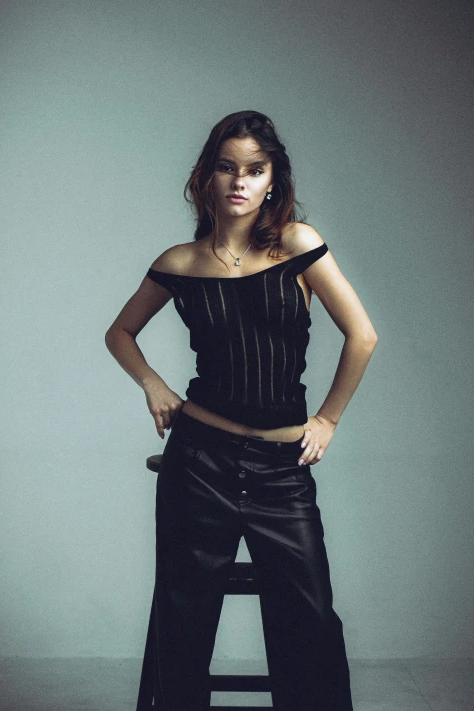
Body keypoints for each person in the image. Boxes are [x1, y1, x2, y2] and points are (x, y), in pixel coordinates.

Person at [105, 110, 378, 710]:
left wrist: (328, 418)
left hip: (282, 469)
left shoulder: (299, 245)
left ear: (273, 179)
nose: (240, 181)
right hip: (199, 461)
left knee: (309, 623)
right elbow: (120, 332)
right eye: (227, 168)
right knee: (183, 622)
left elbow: (362, 335)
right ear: (207, 177)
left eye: (255, 170)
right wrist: (153, 384)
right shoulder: (180, 262)